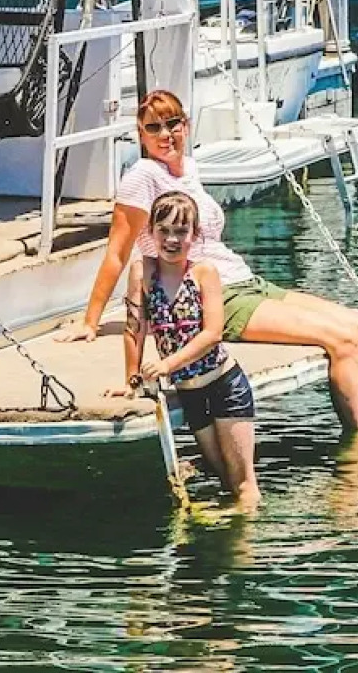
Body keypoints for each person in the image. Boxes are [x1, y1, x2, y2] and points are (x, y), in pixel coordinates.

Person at [59, 88, 358, 431]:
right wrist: (90, 321)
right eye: (153, 127)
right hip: (218, 295)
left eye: (172, 124)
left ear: (186, 126)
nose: (165, 135)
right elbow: (117, 250)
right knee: (341, 341)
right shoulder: (142, 176)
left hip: (245, 280)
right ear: (141, 135)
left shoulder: (187, 167)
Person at [109, 190, 259, 507]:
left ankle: (244, 549)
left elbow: (213, 333)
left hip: (224, 386)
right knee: (223, 478)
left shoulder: (204, 273)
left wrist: (167, 365)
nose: (172, 239)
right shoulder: (143, 272)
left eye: (181, 231)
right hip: (191, 393)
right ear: (151, 232)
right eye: (164, 230)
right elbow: (134, 329)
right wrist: (131, 381)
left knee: (243, 485)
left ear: (195, 234)